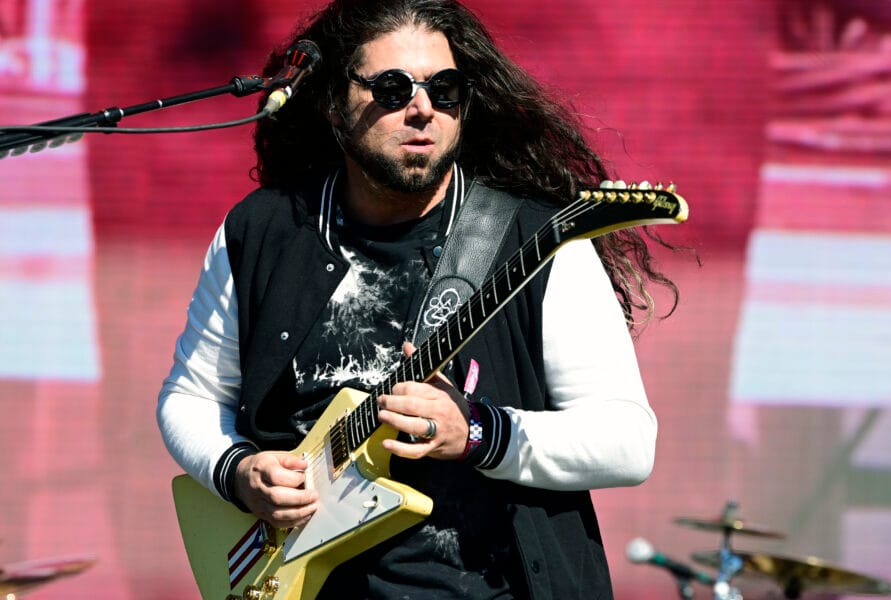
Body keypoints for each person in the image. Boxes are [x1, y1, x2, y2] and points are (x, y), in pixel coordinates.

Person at [157, 0, 676, 597]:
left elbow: (628, 442)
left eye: (445, 88)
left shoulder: (539, 241)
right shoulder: (264, 231)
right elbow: (190, 397)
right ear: (333, 102)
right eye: (392, 87)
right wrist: (239, 472)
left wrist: (480, 433)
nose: (422, 107)